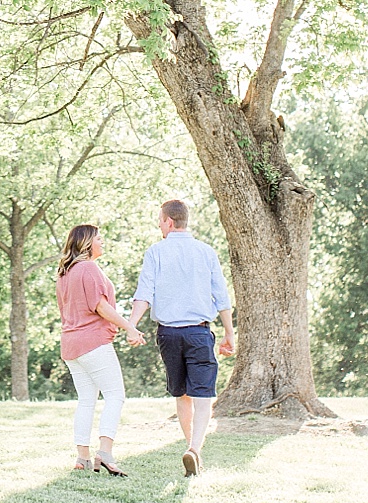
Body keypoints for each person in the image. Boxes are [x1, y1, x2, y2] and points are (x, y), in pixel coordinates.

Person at [131, 199, 235, 476]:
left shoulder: (156, 252)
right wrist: (229, 333)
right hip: (199, 332)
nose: (159, 226)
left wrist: (131, 325)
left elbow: (144, 293)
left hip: (168, 334)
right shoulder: (206, 252)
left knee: (182, 394)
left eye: (160, 221)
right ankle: (194, 449)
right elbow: (221, 296)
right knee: (203, 395)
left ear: (168, 221)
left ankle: (190, 445)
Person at [55, 223, 145, 476]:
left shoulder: (64, 273)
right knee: (115, 395)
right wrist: (130, 327)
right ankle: (104, 453)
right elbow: (101, 306)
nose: (102, 242)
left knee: (86, 400)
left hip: (71, 345)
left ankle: (82, 457)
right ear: (86, 243)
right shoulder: (88, 268)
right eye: (98, 238)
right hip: (92, 343)